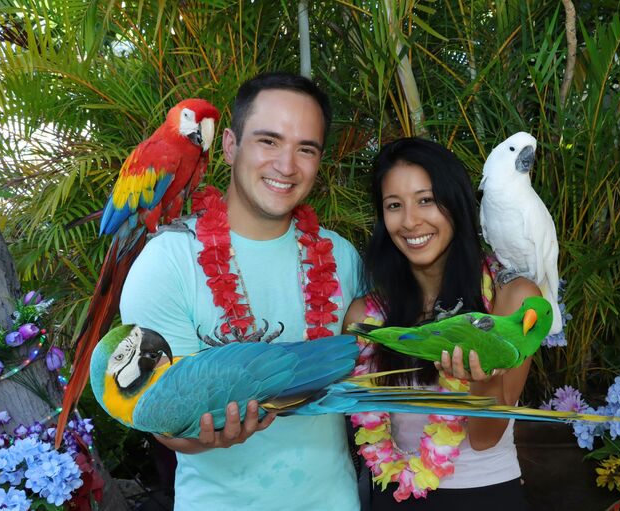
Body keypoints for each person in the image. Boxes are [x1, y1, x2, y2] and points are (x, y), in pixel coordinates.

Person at [120, 72, 364, 510]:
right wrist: (202, 437)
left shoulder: (343, 257)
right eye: (268, 141)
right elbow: (159, 419)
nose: (286, 165)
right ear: (230, 145)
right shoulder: (167, 261)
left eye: (305, 149)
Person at [344, 137, 538, 509]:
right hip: (394, 496)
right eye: (394, 206)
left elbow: (485, 437)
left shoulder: (510, 300)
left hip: (483, 497)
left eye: (426, 200)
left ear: (457, 203)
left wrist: (486, 379)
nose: (411, 220)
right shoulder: (367, 319)